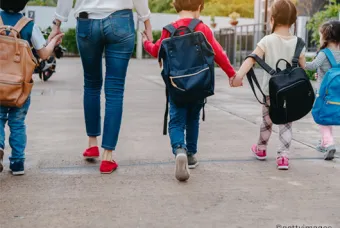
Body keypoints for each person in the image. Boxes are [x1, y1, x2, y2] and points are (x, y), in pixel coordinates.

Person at [48, 0, 152, 174]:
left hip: (87, 22)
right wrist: (146, 22)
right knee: (115, 90)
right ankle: (107, 157)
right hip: (120, 21)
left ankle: (92, 144)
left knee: (91, 84)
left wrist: (56, 24)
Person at [143, 0, 236, 181]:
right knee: (193, 119)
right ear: (199, 7)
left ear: (176, 6)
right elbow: (218, 53)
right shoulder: (202, 29)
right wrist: (231, 74)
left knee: (176, 121)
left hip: (176, 87)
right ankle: (191, 155)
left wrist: (146, 42)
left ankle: (179, 150)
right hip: (199, 85)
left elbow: (156, 50)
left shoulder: (168, 30)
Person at [232, 0, 305, 170]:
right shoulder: (298, 43)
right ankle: (283, 158)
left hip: (270, 92)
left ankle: (261, 149)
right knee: (286, 122)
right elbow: (303, 67)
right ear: (293, 21)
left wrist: (239, 76)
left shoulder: (267, 40)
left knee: (267, 121)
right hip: (291, 93)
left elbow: (252, 58)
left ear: (271, 19)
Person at [0, 0, 63, 175]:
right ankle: (18, 163)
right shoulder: (29, 25)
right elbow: (43, 54)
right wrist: (53, 41)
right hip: (19, 87)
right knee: (17, 123)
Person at [305, 20, 340, 160]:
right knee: (332, 115)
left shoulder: (324, 53)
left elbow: (313, 65)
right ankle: (324, 142)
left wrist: (300, 62)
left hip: (324, 93)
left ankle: (329, 143)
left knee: (322, 117)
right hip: (338, 91)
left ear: (325, 36)